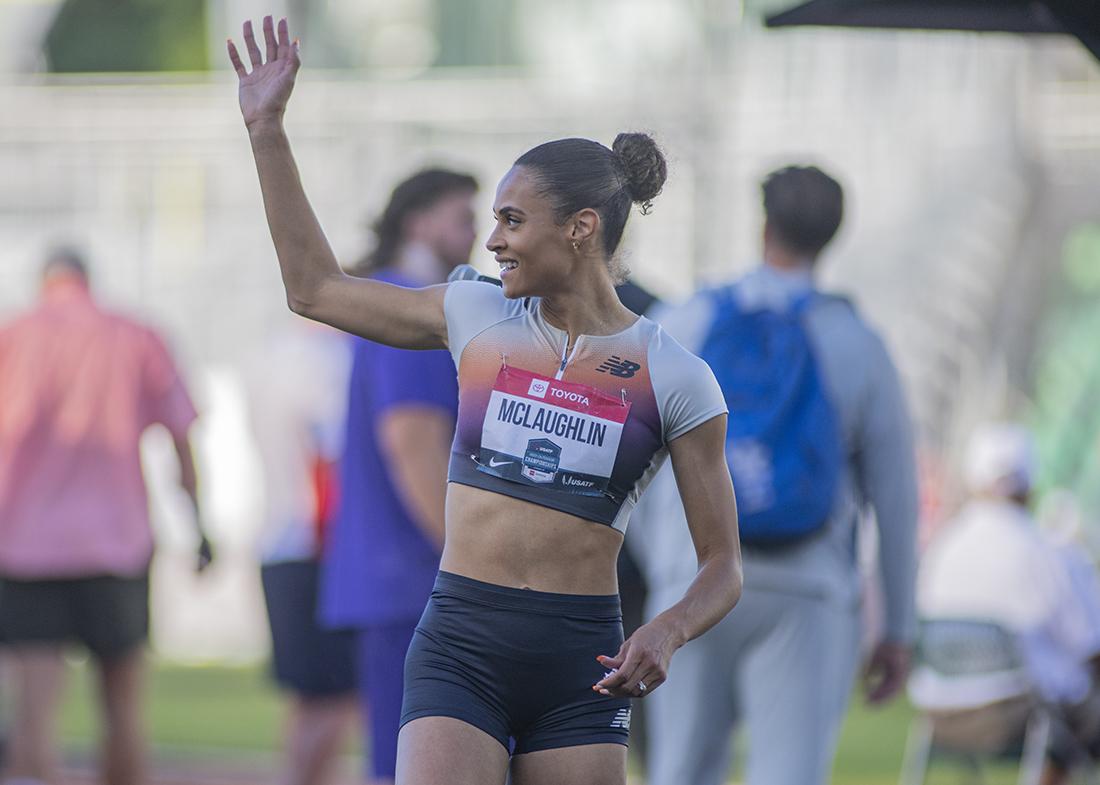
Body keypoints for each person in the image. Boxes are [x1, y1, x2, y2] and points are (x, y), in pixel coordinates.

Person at [228, 17, 741, 785]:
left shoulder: (676, 375)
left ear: (580, 229)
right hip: (460, 640)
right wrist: (266, 130)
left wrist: (666, 630)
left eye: (511, 220)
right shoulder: (473, 312)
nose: (492, 240)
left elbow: (723, 566)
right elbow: (315, 289)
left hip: (582, 658)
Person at [632, 165, 920, 785]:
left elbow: (631, 455)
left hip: (691, 578)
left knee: (680, 768)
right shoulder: (857, 341)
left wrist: (664, 565)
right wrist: (897, 628)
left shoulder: (688, 321)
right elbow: (895, 498)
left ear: (764, 224)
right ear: (833, 235)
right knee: (788, 773)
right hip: (807, 587)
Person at [0, 248, 212, 785]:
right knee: (123, 709)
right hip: (116, 543)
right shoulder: (134, 335)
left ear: (44, 280)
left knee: (34, 713)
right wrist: (198, 524)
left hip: (25, 547)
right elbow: (181, 439)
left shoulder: (13, 336)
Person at [318, 168, 478, 784]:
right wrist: (471, 559)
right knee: (415, 764)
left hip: (396, 573)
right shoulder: (408, 305)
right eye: (462, 216)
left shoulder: (389, 297)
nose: (478, 234)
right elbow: (412, 444)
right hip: (416, 576)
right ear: (418, 221)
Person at [916, 424, 1100, 785]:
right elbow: (1089, 643)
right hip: (1018, 715)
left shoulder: (942, 547)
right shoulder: (1045, 551)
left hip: (940, 713)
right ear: (1028, 483)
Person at [245, 315, 357, 785]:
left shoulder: (270, 355)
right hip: (318, 545)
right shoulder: (326, 360)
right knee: (338, 698)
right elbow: (326, 457)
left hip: (282, 540)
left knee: (310, 701)